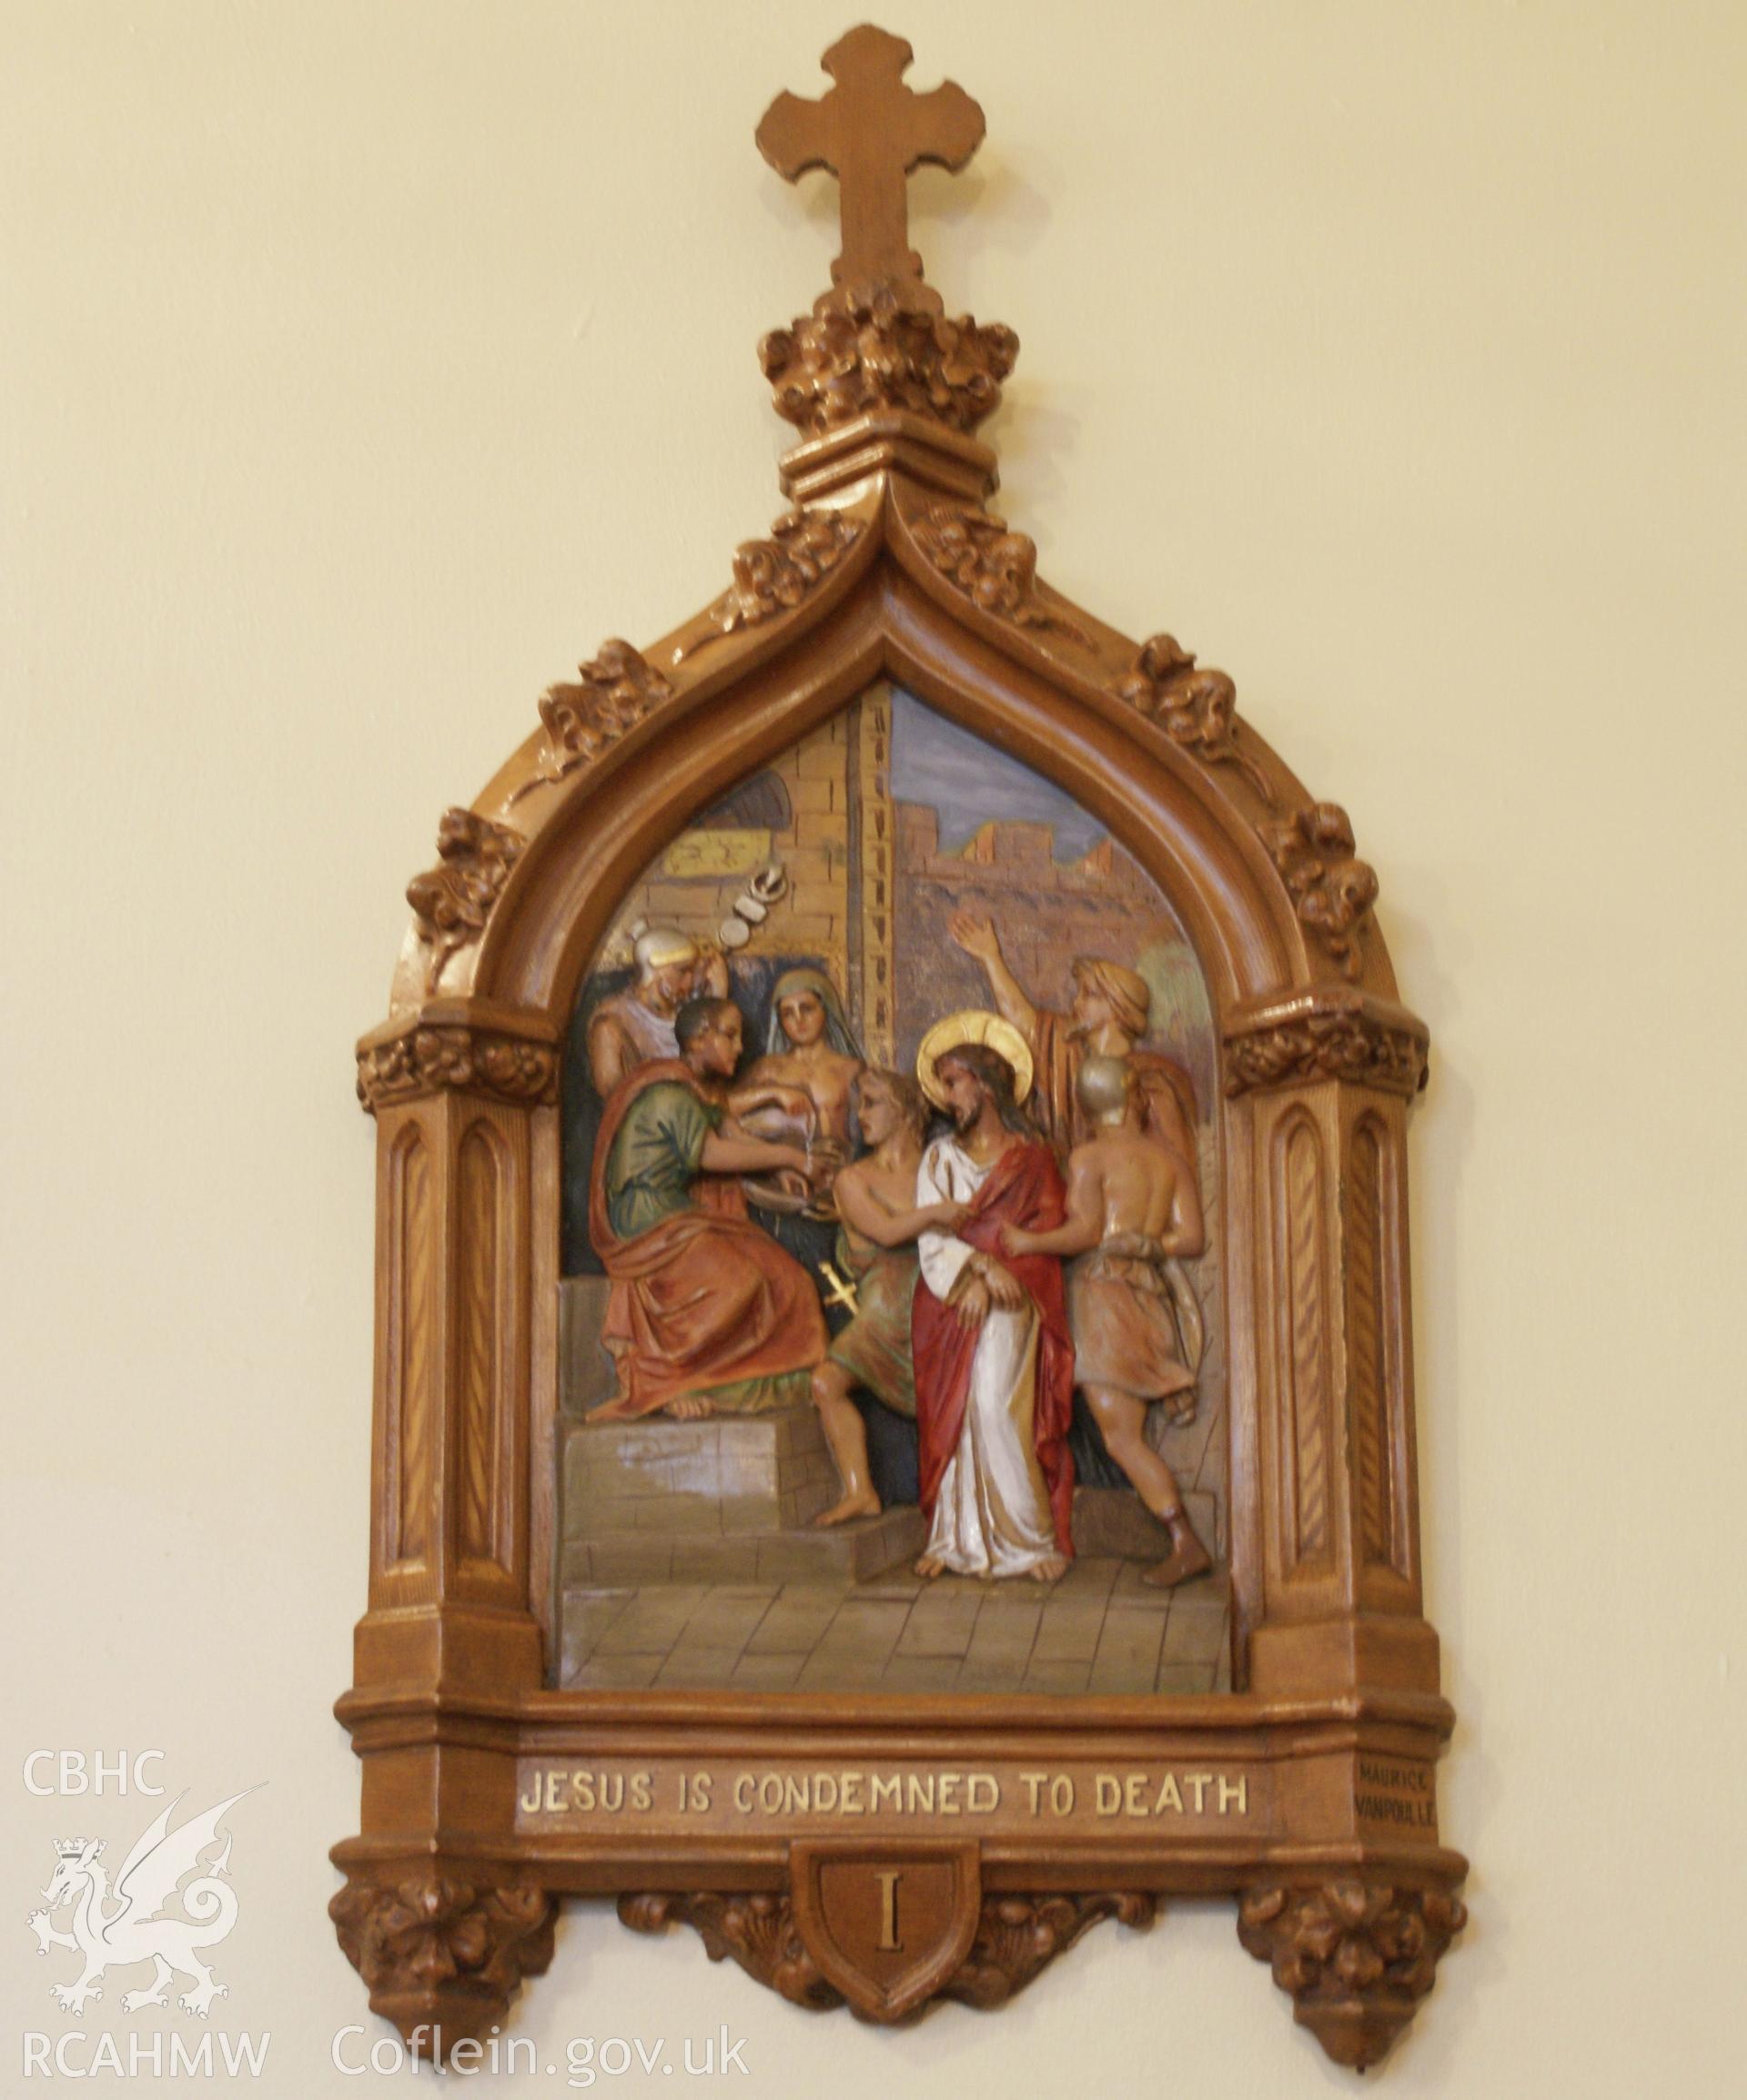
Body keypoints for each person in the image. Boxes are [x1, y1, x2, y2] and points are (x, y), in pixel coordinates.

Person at [999, 1055, 1213, 1589]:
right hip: (1148, 1295)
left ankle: (1185, 1541)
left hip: (1104, 1297)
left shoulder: (1091, 1157)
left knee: (1120, 1436)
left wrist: (1030, 1241)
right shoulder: (1169, 1163)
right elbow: (1190, 1240)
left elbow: (1087, 1231)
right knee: (1108, 1427)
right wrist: (1146, 1243)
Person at [587, 996, 828, 1420]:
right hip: (648, 1219)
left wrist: (782, 1170)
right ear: (700, 1039)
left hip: (677, 1213)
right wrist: (789, 1159)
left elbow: (728, 1130)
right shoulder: (669, 1094)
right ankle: (667, 1380)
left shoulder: (690, 1091)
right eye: (730, 1036)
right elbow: (712, 1154)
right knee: (740, 1281)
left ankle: (745, 1381)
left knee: (789, 1278)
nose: (739, 1047)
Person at [910, 1020, 1076, 1581]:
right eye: (945, 1086)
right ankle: (953, 1539)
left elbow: (1047, 1235)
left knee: (993, 1405)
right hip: (948, 1300)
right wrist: (977, 1271)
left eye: (955, 1082)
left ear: (984, 1084)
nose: (948, 1097)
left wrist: (1006, 1274)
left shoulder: (1032, 1160)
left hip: (1017, 1296)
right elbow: (932, 1241)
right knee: (950, 1415)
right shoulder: (939, 1159)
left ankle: (1031, 1540)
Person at [808, 1068, 969, 1526]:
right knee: (827, 1383)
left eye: (873, 1102)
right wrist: (938, 1213)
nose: (862, 1117)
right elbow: (885, 1230)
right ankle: (861, 1491)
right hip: (884, 1309)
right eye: (860, 1105)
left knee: (968, 1397)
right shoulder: (854, 1179)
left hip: (940, 1299)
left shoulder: (940, 1165)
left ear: (904, 1110)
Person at [945, 912, 1200, 1177]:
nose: (1076, 1003)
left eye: (1089, 994)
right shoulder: (1067, 1052)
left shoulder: (1152, 1077)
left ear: (1119, 1009)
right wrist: (991, 958)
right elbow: (1022, 1022)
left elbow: (1175, 1166)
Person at [741, 966, 865, 1152]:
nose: (799, 1020)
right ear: (780, 1022)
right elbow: (727, 1114)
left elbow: (867, 1130)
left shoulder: (850, 1069)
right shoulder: (767, 1068)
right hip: (781, 1170)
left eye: (807, 1009)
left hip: (837, 1167)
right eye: (788, 1014)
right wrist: (773, 1093)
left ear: (826, 1009)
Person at [586, 926, 702, 1097]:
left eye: (692, 972)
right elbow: (615, 1100)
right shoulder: (612, 1021)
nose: (689, 982)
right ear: (657, 968)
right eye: (683, 971)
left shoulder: (684, 1011)